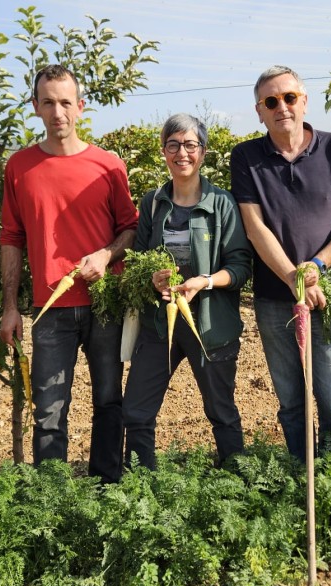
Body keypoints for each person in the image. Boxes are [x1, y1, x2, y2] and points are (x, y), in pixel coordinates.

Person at [0, 64, 138, 484]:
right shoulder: (19, 167)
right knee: (49, 410)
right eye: (48, 102)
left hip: (104, 305)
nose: (57, 111)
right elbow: (11, 236)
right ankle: (52, 500)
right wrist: (10, 306)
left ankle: (105, 488)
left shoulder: (108, 165)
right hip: (49, 310)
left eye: (65, 102)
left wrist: (106, 253)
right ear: (35, 107)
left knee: (110, 402)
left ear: (80, 106)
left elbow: (130, 229)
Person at [231, 65, 331, 460]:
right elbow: (255, 228)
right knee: (291, 401)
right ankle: (300, 475)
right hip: (276, 298)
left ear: (304, 101)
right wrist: (295, 278)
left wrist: (317, 268)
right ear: (259, 111)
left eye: (289, 98)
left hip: (327, 294)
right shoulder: (246, 157)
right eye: (270, 101)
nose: (282, 107)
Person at [122, 114, 253, 471]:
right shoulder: (153, 203)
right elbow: (140, 262)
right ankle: (139, 488)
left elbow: (241, 267)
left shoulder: (222, 203)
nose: (182, 152)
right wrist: (153, 278)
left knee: (221, 411)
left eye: (190, 144)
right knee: (136, 411)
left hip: (210, 326)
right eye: (173, 144)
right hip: (159, 324)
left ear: (203, 152)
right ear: (163, 151)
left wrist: (204, 281)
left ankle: (235, 483)